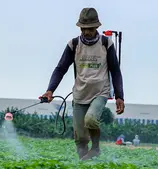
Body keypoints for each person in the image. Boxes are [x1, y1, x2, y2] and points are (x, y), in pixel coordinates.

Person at [41, 7, 125, 160]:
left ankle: (96, 149)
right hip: (80, 93)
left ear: (97, 27)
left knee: (91, 119)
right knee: (80, 138)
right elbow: (60, 68)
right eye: (84, 28)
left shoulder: (106, 44)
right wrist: (50, 90)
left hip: (100, 91)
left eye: (90, 29)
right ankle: (84, 163)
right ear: (79, 27)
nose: (87, 32)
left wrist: (120, 96)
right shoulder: (73, 44)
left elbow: (115, 71)